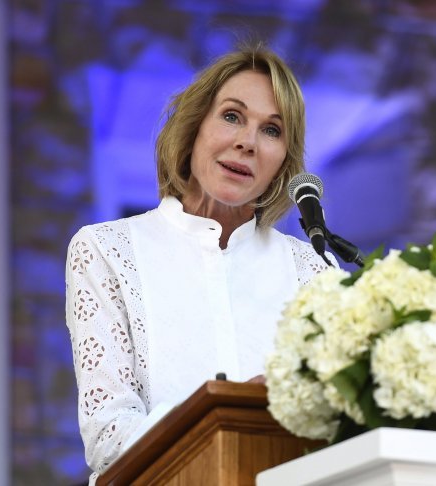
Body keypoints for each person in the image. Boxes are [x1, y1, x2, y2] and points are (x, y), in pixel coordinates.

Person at [65, 44, 335, 478]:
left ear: (283, 162)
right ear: (193, 127)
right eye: (232, 116)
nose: (247, 142)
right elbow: (109, 438)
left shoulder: (312, 270)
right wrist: (227, 416)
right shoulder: (108, 250)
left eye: (271, 130)